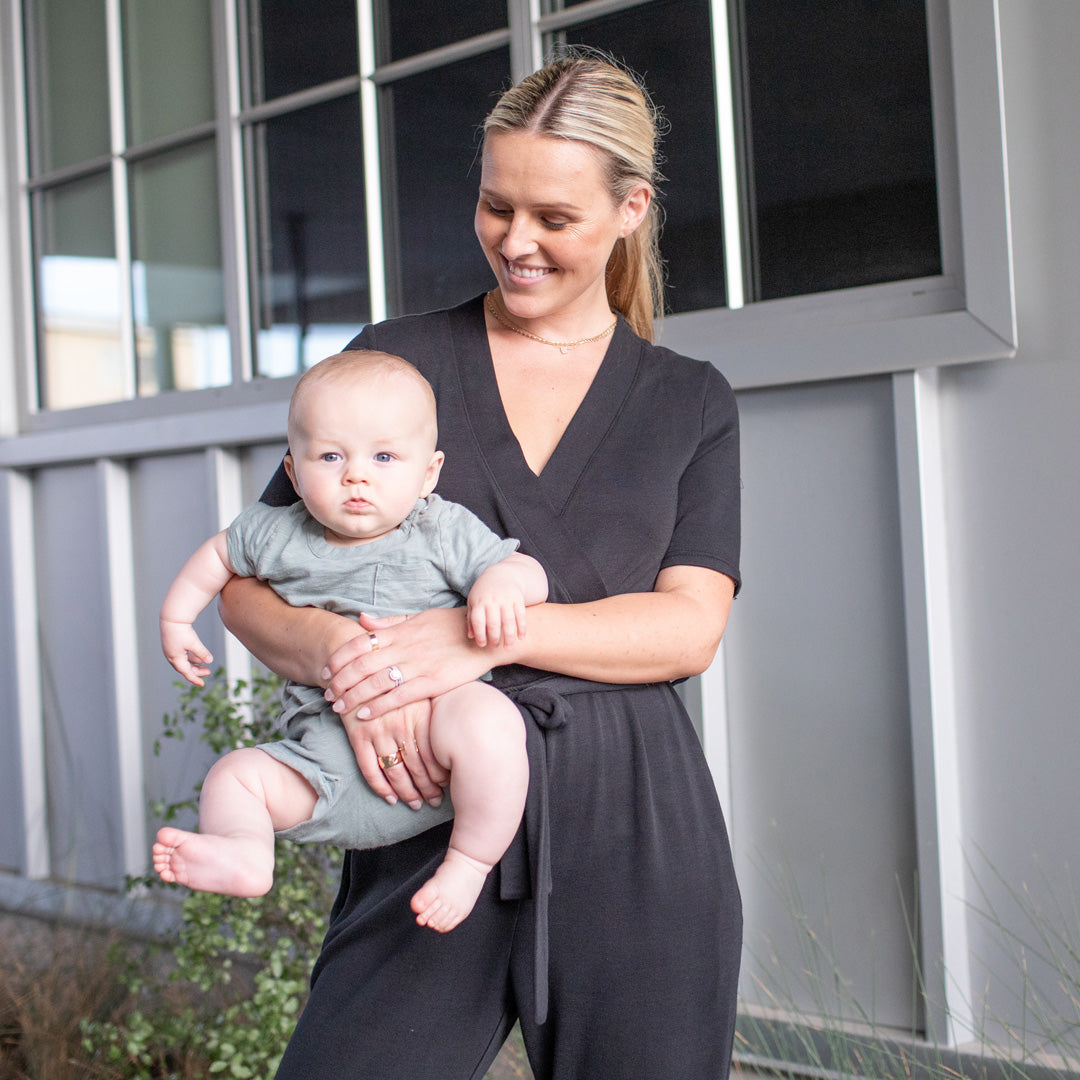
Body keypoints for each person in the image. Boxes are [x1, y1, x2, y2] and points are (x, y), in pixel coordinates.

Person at [221, 51, 742, 1080]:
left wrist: (465, 641)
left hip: (634, 820)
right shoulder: (395, 361)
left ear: (631, 207)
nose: (516, 242)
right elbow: (247, 587)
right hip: (426, 803)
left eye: (554, 217)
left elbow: (690, 625)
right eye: (496, 207)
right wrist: (342, 652)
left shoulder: (690, 398)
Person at [154, 350, 546, 933]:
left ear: (429, 472)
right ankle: (246, 854)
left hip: (441, 745)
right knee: (234, 776)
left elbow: (524, 570)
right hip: (325, 763)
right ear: (292, 472)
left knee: (491, 721)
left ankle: (468, 863)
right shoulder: (275, 531)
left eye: (384, 457)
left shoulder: (439, 527)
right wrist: (176, 620)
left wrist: (499, 586)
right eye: (331, 456)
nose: (355, 475)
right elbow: (217, 558)